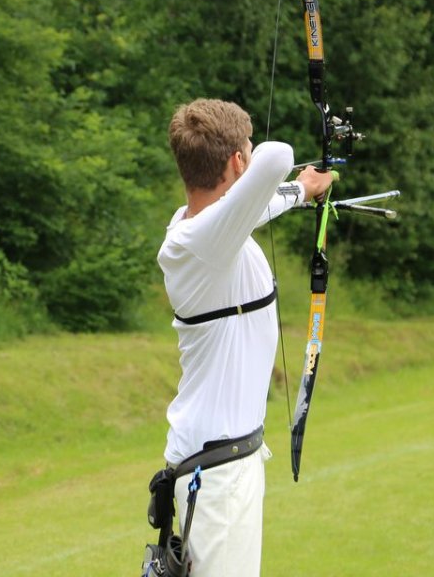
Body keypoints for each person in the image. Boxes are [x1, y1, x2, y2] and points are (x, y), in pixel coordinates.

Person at [156, 99, 333, 576]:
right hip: (217, 474)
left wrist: (302, 190)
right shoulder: (197, 241)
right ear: (237, 161)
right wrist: (284, 176)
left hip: (220, 463)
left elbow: (250, 207)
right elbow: (277, 157)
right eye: (245, 151)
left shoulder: (200, 227)